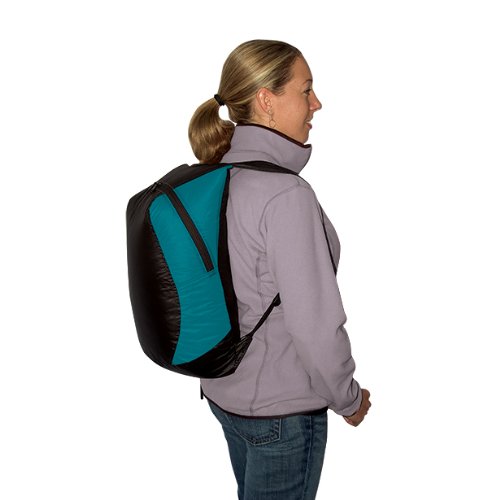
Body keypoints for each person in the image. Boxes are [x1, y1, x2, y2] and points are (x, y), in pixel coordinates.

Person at [188, 39, 371, 500]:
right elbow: (314, 324)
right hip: (282, 415)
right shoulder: (286, 196)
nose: (316, 103)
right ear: (267, 101)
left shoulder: (215, 176)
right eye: (305, 90)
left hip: (226, 395)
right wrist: (348, 398)